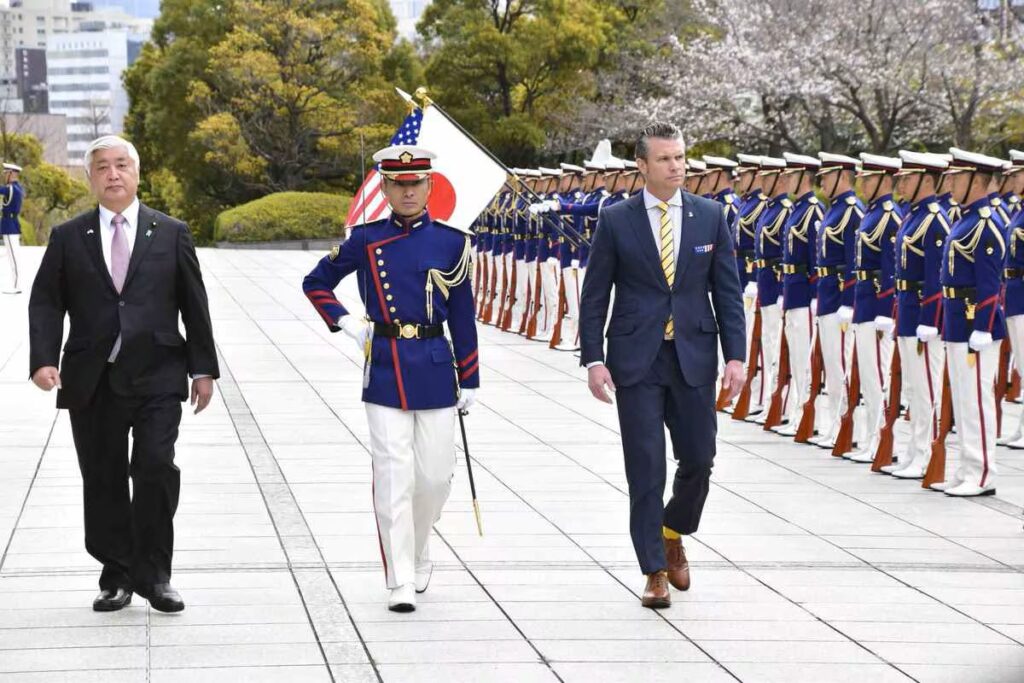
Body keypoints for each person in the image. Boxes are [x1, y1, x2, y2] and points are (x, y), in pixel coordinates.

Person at [28, 135, 218, 613]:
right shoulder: (68, 237)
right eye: (101, 167)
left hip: (158, 374)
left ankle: (155, 576)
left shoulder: (171, 232)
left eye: (120, 165)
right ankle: (116, 574)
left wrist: (203, 369)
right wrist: (44, 359)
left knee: (154, 467)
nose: (112, 174)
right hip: (93, 379)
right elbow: (46, 301)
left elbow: (194, 304)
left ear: (136, 173)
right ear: (90, 178)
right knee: (103, 477)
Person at [302, 144, 479, 611]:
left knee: (434, 478)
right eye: (398, 184)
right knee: (393, 475)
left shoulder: (452, 242)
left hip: (435, 365)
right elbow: (315, 282)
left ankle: (418, 548)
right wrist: (346, 323)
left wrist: (471, 378)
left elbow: (463, 316)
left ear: (429, 185)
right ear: (383, 188)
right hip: (383, 364)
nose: (408, 192)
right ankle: (399, 576)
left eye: (415, 183)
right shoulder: (365, 239)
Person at [579, 121, 745, 609]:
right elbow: (595, 295)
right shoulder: (617, 220)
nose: (677, 167)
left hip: (694, 355)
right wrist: (593, 359)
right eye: (666, 159)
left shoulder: (709, 216)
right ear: (643, 165)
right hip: (637, 361)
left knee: (699, 458)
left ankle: (673, 530)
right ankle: (653, 569)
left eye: (680, 157)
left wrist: (736, 355)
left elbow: (727, 291)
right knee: (646, 466)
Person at [933, 148, 1009, 496]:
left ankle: (982, 473)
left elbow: (990, 283)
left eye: (957, 178)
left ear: (976, 181)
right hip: (956, 320)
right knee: (963, 400)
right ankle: (966, 468)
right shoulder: (964, 219)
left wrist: (982, 325)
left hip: (975, 322)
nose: (950, 184)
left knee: (977, 399)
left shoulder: (985, 225)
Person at [887, 151, 951, 478]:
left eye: (908, 179)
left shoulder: (934, 220)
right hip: (907, 308)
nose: (901, 184)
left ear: (927, 180)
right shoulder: (913, 216)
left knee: (925, 388)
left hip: (924, 314)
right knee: (913, 388)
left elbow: (935, 277)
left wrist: (929, 321)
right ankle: (914, 451)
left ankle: (925, 455)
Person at [845, 153, 903, 462]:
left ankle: (882, 441)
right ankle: (871, 438)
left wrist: (884, 311)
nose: (861, 184)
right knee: (868, 376)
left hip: (877, 305)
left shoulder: (889, 216)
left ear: (883, 180)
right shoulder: (872, 213)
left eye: (867, 179)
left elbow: (890, 268)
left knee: (878, 376)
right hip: (864, 301)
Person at [812, 153, 864, 450]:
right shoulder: (836, 209)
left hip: (839, 298)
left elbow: (853, 261)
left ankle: (848, 427)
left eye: (827, 176)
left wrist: (847, 301)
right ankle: (835, 423)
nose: (822, 182)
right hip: (827, 294)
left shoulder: (852, 211)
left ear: (843, 176)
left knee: (841, 366)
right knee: (831, 366)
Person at [775, 153, 825, 437]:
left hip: (805, 295)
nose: (786, 180)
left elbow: (816, 259)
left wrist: (815, 295)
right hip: (792, 291)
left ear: (804, 177)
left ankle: (807, 416)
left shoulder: (813, 211)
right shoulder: (798, 209)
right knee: (795, 357)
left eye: (791, 175)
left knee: (806, 360)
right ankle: (796, 413)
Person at [1, 162, 24, 294]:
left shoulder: (11, 189)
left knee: (13, 257)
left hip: (9, 226)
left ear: (11, 174)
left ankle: (16, 286)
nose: (5, 176)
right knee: (13, 256)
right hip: (12, 224)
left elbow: (2, 190)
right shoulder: (17, 188)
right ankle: (15, 284)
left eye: (6, 173)